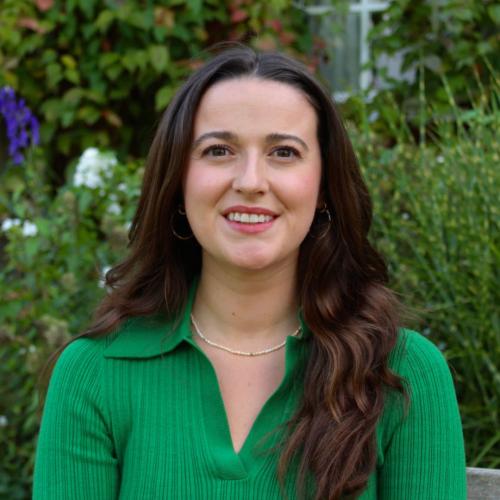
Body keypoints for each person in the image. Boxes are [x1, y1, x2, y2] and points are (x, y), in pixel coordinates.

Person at [32, 45, 467, 500]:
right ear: (179, 180)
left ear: (323, 187)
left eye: (283, 152)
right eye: (219, 150)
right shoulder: (94, 374)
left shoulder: (401, 372)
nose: (251, 181)